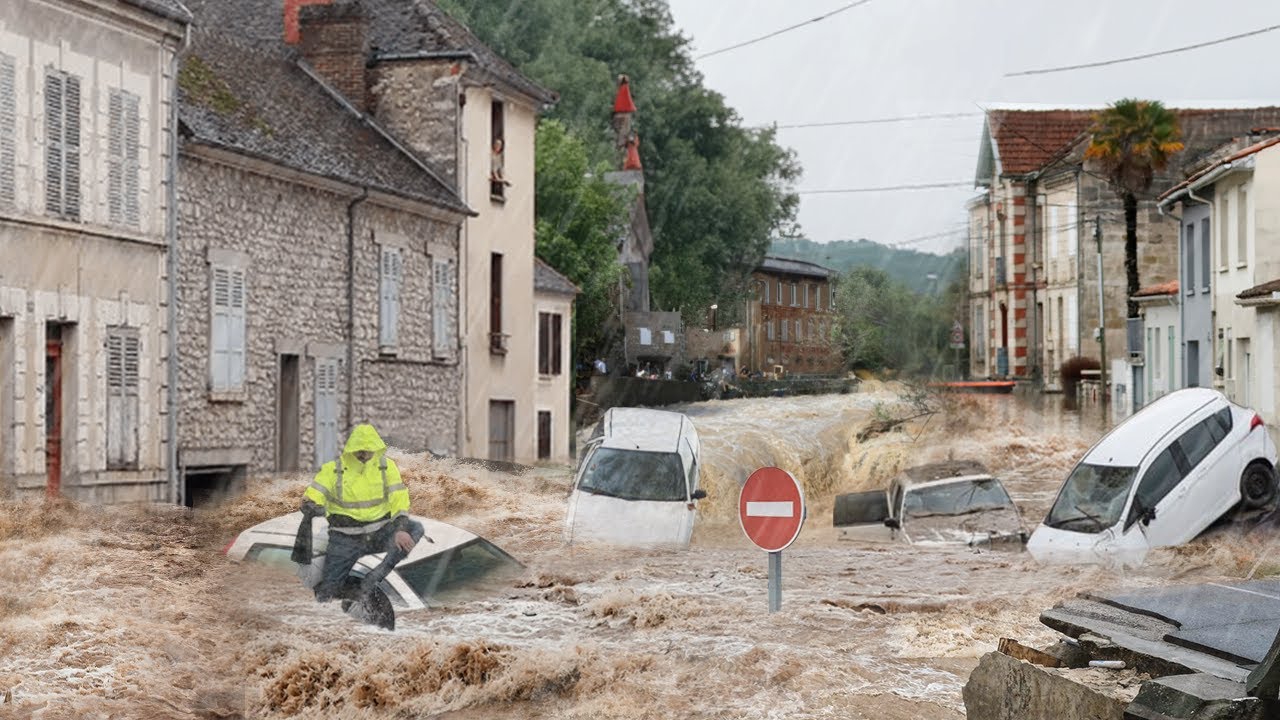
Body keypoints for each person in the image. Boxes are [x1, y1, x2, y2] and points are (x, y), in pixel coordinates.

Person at [299, 424, 429, 606]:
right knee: (326, 594)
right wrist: (311, 504)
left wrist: (399, 529)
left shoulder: (386, 467)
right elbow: (314, 493)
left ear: (375, 448)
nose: (363, 454)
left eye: (368, 450)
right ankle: (334, 615)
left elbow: (399, 498)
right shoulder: (332, 470)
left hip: (379, 533)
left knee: (415, 528)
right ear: (350, 448)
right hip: (344, 539)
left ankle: (372, 580)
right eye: (359, 450)